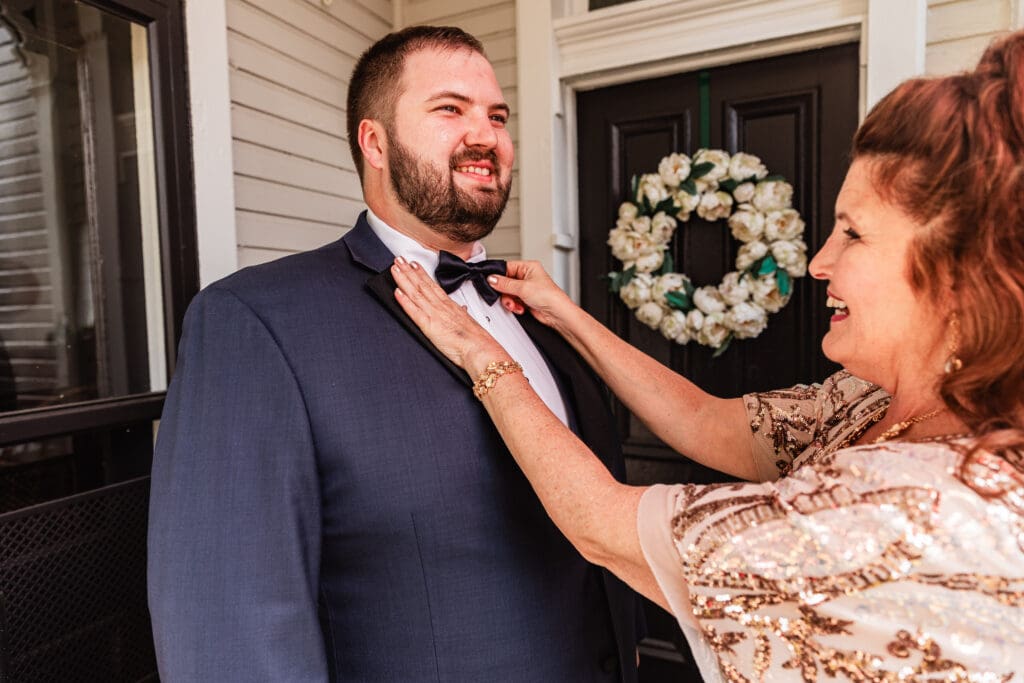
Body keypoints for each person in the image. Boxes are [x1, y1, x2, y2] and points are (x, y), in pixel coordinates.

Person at [389, 30, 1024, 681]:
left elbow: (602, 524)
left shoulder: (921, 504)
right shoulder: (866, 400)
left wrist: (483, 354)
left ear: (958, 275)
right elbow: (707, 422)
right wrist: (567, 315)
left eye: (853, 234)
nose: (819, 261)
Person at [147, 26, 643, 682]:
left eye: (497, 115)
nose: (484, 134)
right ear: (374, 141)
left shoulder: (538, 309)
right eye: (450, 109)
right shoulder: (256, 321)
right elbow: (230, 614)